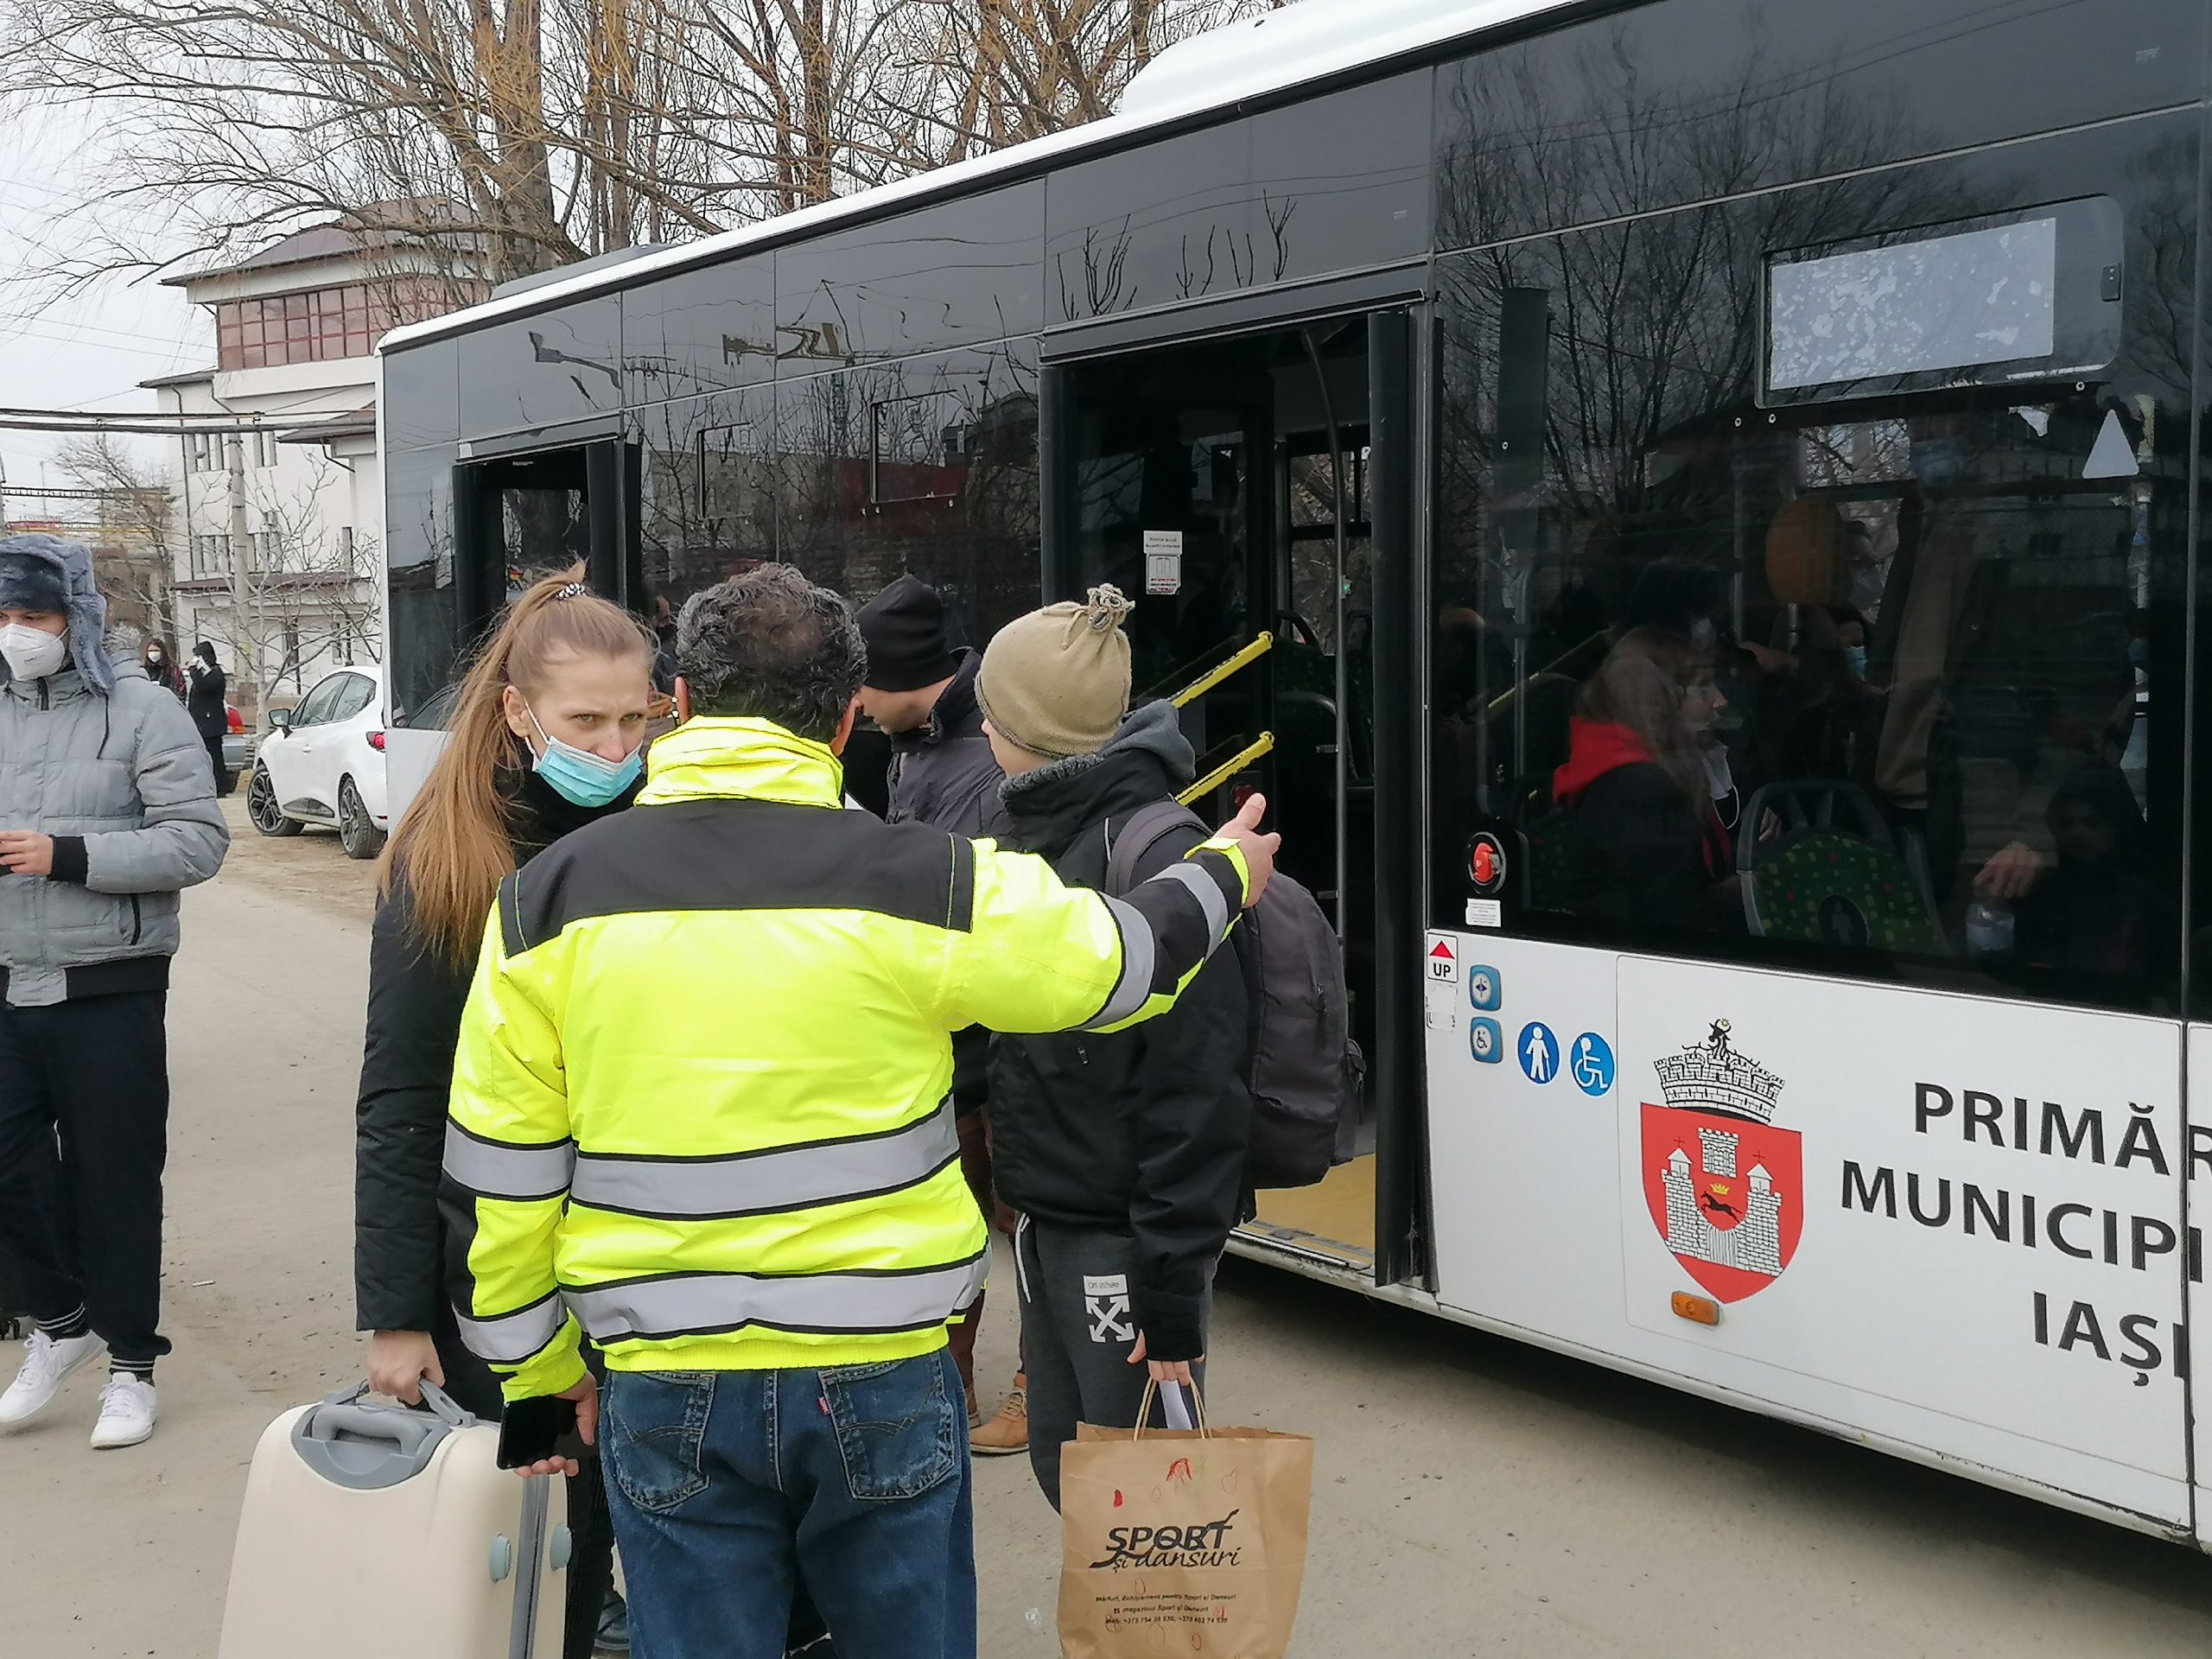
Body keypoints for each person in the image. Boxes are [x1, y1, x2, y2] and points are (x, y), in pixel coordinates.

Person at [439, 563, 1277, 1659]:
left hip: (663, 1375)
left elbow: (498, 1178)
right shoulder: (924, 881)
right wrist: (1224, 872)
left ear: (679, 705)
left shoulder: (544, 902)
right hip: (880, 1369)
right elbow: (1115, 965)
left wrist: (538, 1384)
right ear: (842, 722)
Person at [354, 568, 644, 1659]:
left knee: (616, 1517)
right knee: (535, 1537)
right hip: (494, 1289)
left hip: (632, 1261)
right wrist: (395, 1314)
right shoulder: (449, 861)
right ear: (520, 715)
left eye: (634, 717)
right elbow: (398, 1099)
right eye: (585, 721)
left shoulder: (659, 825)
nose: (615, 747)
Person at [974, 586, 1251, 1511]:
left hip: (1118, 1238)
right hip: (1053, 1217)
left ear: (1037, 734)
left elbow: (1198, 1096)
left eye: (994, 713)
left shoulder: (1154, 855)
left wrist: (1172, 1294)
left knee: (1140, 1494)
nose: (979, 729)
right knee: (1069, 1471)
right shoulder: (1037, 835)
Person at [0, 534, 229, 1448]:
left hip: (109, 985)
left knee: (117, 1180)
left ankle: (131, 1364)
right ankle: (62, 1326)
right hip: (7, 978)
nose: (18, 635)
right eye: (6, 617)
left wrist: (71, 857)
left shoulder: (140, 710)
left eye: (36, 617)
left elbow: (197, 842)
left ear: (78, 619)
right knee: (11, 1167)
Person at [854, 573, 1025, 1455]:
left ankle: (1033, 1380)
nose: (853, 704)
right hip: (949, 1036)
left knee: (1013, 1214)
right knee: (968, 1211)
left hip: (990, 1045)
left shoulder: (981, 764)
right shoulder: (921, 740)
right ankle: (952, 1382)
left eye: (862, 685)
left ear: (898, 677)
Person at [1552, 626, 1737, 934]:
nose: (1721, 701)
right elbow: (1681, 914)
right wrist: (1746, 892)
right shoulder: (1640, 789)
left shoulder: (1620, 769)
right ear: (1660, 700)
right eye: (1703, 687)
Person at [185, 641, 234, 798]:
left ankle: (221, 787)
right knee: (203, 756)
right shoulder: (203, 674)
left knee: (215, 756)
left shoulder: (216, 673)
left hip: (212, 723)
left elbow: (204, 686)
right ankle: (207, 785)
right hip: (200, 722)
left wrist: (194, 671)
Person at [141, 635, 185, 699]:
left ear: (162, 651)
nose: (153, 653)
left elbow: (180, 689)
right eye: (150, 651)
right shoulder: (144, 669)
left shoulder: (172, 668)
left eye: (156, 650)